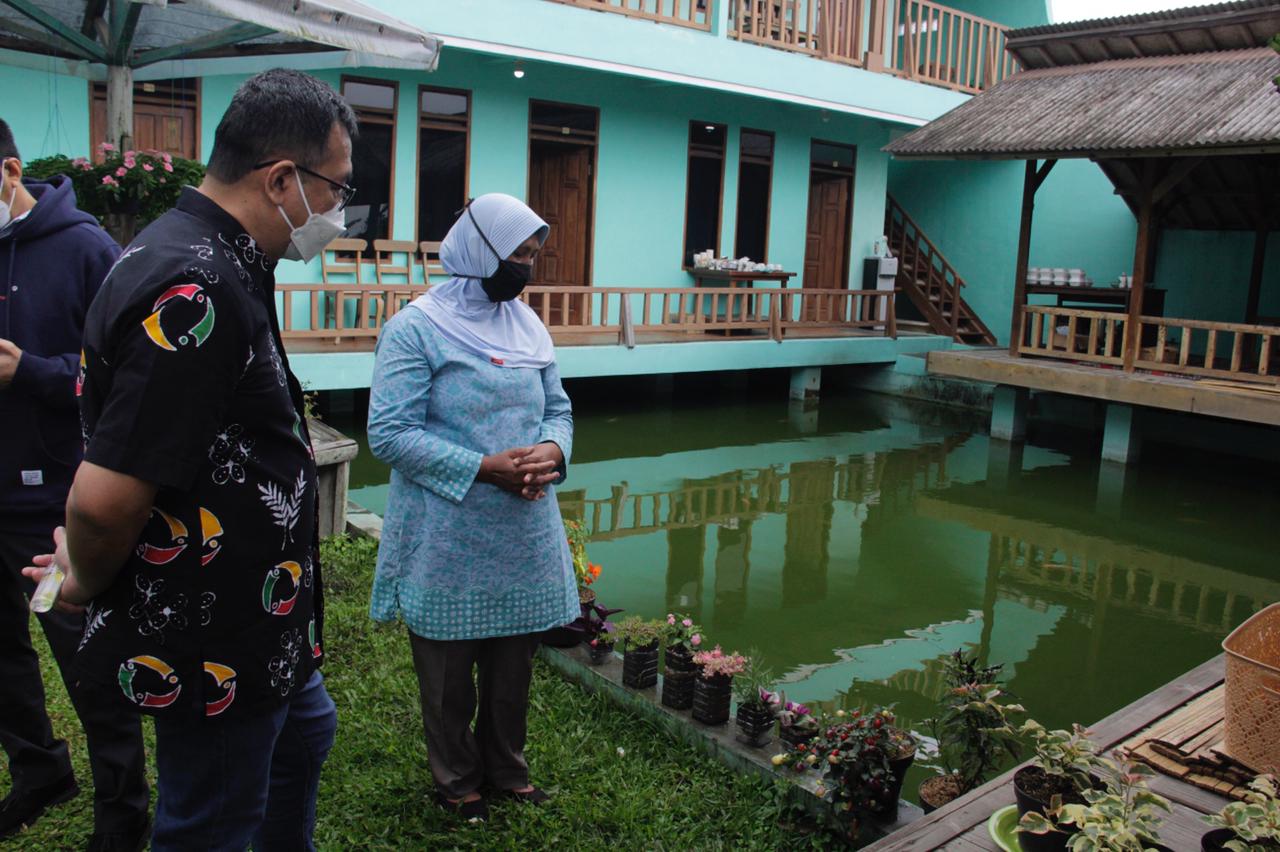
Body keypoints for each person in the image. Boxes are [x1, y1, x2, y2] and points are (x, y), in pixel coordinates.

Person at [22, 68, 348, 850]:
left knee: (304, 740)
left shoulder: (220, 256)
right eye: (335, 190)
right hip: (215, 635)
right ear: (281, 180)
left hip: (262, 621)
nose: (339, 212)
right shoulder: (195, 288)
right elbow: (106, 496)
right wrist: (82, 581)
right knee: (211, 819)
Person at [367, 193, 576, 823]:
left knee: (513, 669)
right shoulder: (416, 327)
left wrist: (550, 452)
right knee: (450, 673)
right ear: (479, 249)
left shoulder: (529, 325)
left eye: (535, 253)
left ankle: (508, 769)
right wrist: (485, 468)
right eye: (518, 252)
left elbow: (557, 408)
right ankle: (458, 780)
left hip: (524, 527)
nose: (528, 265)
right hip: (446, 533)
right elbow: (390, 434)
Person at [0, 119, 150, 850]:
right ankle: (38, 770)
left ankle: (123, 812)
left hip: (54, 507)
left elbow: (125, 380)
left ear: (11, 171)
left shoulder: (87, 249)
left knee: (88, 663)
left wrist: (29, 370)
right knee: (2, 656)